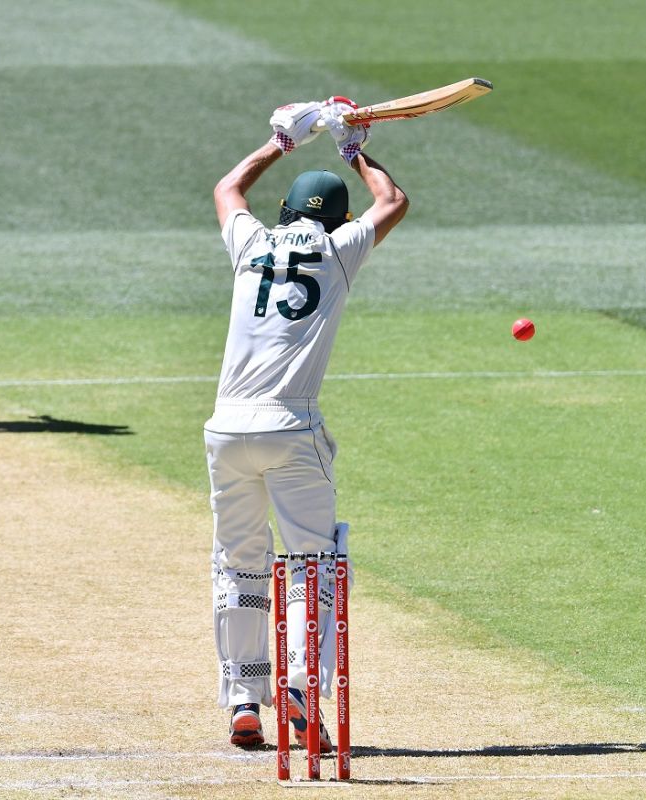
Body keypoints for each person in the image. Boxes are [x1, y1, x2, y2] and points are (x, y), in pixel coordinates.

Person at [206, 97, 409, 749]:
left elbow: (228, 188)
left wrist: (279, 143)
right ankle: (298, 687)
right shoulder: (337, 249)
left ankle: (243, 699)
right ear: (335, 218)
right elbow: (394, 201)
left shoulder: (250, 244)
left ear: (287, 211)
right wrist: (356, 151)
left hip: (225, 430)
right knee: (311, 565)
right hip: (291, 430)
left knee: (239, 566)